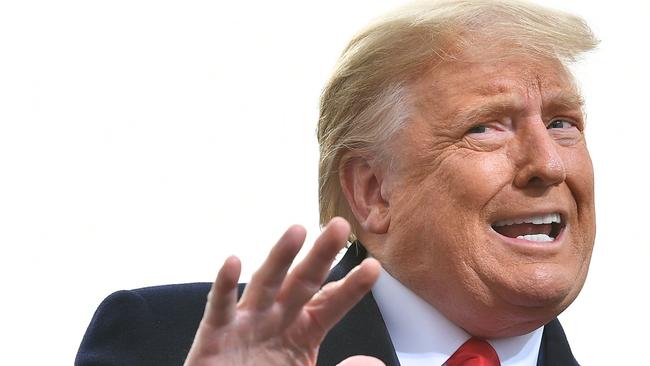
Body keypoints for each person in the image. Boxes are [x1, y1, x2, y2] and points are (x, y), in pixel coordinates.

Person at [76, 0, 598, 365]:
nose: (548, 164)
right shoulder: (163, 340)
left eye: (562, 123)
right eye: (485, 127)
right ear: (373, 191)